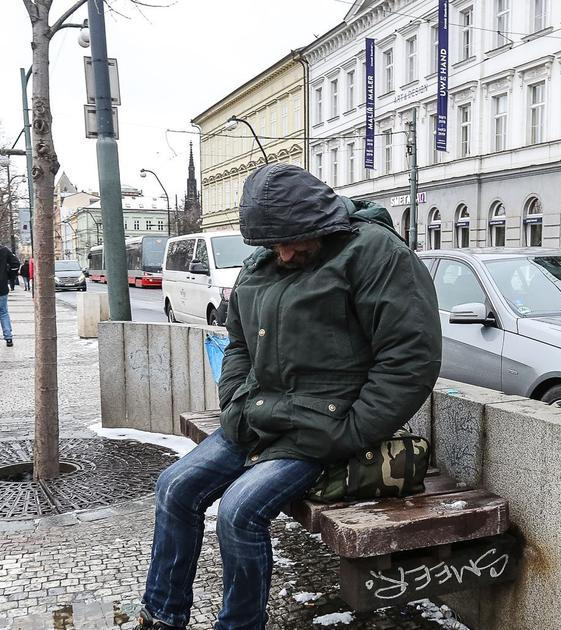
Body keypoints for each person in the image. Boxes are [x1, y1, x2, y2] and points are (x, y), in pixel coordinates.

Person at [132, 163, 441, 630]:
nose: (284, 251)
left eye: (291, 239)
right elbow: (235, 340)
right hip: (255, 415)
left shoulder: (376, 253)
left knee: (239, 513)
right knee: (174, 488)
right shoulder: (265, 260)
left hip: (320, 429)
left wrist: (350, 431)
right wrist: (235, 397)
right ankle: (162, 616)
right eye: (272, 243)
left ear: (321, 221)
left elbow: (410, 359)